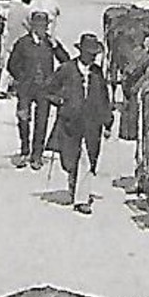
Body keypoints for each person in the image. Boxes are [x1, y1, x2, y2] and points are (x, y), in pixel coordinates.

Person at [50, 34, 113, 215]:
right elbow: (49, 89)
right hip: (70, 122)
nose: (92, 57)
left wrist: (108, 121)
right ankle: (72, 180)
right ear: (81, 52)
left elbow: (104, 98)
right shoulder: (66, 69)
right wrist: (59, 101)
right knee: (69, 158)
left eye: (95, 54)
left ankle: (81, 199)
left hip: (92, 123)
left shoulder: (97, 72)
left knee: (88, 158)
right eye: (89, 53)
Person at [7, 11, 67, 168]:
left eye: (45, 26)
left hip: (44, 90)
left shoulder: (50, 44)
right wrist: (22, 78)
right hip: (26, 88)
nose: (42, 29)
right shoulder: (23, 43)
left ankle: (37, 155)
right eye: (39, 26)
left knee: (42, 122)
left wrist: (56, 46)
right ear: (32, 27)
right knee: (23, 119)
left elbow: (65, 61)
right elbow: (11, 64)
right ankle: (25, 150)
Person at [0, 0, 34, 94]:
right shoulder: (28, 11)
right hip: (22, 42)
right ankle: (17, 88)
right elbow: (30, 26)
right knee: (23, 65)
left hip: (10, 40)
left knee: (7, 65)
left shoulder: (12, 8)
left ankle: (3, 88)